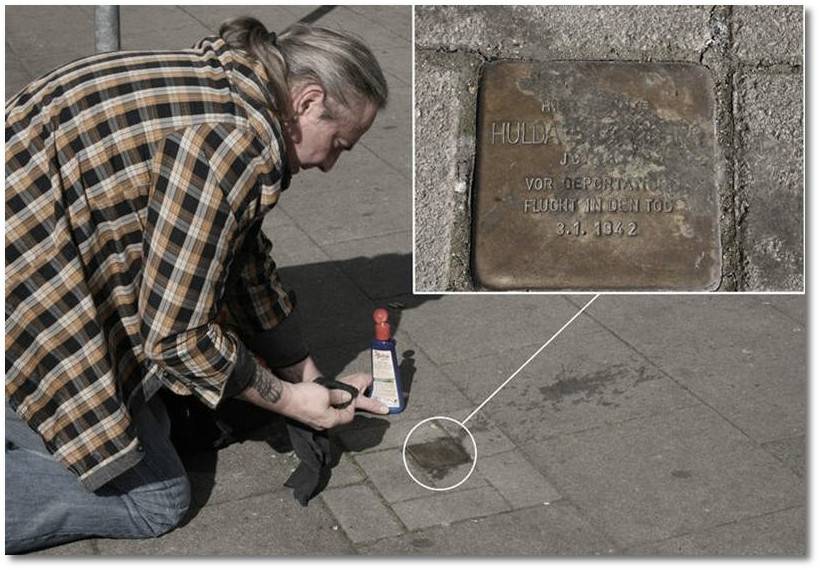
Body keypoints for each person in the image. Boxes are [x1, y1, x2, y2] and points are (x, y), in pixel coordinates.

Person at [5, 16, 389, 553]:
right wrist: (291, 403)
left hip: (30, 254)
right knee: (155, 499)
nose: (330, 165)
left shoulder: (236, 84)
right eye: (340, 143)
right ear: (307, 101)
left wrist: (310, 378)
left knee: (162, 412)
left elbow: (240, 260)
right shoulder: (234, 141)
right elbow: (175, 338)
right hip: (20, 299)